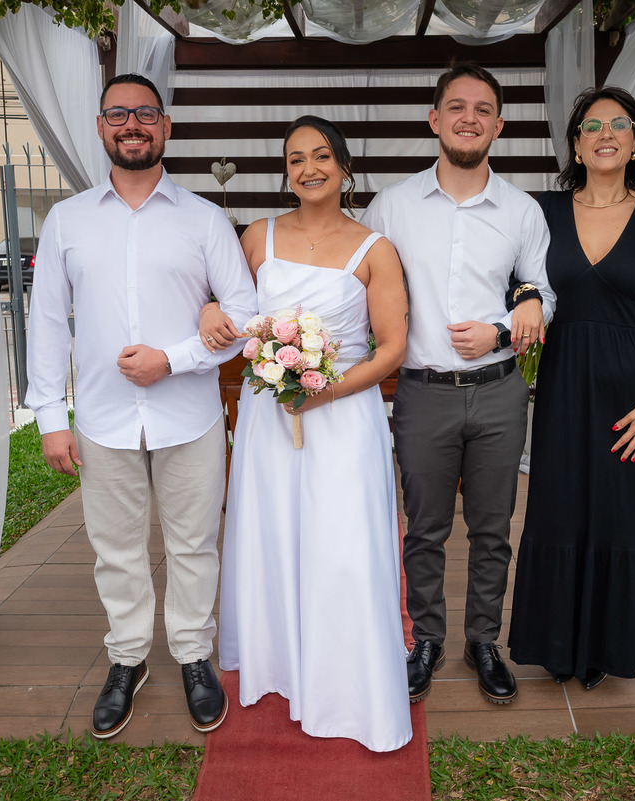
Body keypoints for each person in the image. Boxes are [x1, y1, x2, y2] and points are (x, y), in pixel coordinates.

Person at [25, 74, 258, 739]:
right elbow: (46, 324)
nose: (133, 124)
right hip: (101, 419)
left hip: (189, 414)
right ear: (101, 127)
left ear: (166, 127)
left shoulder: (205, 219)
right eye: (119, 114)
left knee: (194, 543)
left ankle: (192, 655)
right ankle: (127, 658)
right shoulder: (66, 219)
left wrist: (174, 358)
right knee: (116, 548)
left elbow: (243, 313)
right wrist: (50, 418)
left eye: (146, 114)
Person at [200, 116, 413, 751]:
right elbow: (227, 305)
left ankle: (346, 678)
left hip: (342, 414)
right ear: (285, 171)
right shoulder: (256, 237)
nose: (309, 168)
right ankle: (282, 665)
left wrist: (324, 391)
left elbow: (393, 346)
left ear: (344, 167)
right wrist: (212, 309)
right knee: (274, 531)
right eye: (296, 159)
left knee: (341, 541)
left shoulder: (374, 249)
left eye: (322, 156)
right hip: (272, 414)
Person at [361, 62, 555, 706]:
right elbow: (352, 282)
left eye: (482, 109)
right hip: (421, 392)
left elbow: (541, 293)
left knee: (494, 526)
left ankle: (483, 642)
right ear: (435, 119)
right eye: (456, 106)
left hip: (500, 390)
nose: (469, 118)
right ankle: (426, 639)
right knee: (424, 528)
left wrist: (507, 326)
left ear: (498, 125)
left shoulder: (522, 210)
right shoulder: (390, 205)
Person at [507, 86, 635, 691]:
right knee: (561, 513)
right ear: (577, 146)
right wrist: (525, 296)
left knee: (622, 518)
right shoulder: (541, 212)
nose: (605, 133)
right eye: (592, 125)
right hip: (562, 392)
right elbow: (517, 281)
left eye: (619, 123)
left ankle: (610, 648)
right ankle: (558, 647)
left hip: (632, 402)